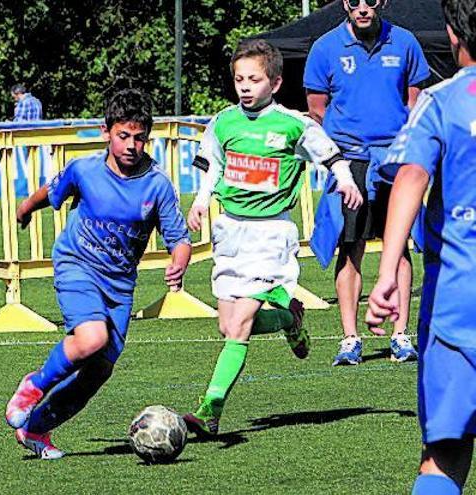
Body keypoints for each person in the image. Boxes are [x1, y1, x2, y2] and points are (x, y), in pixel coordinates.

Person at [183, 39, 363, 436]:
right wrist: (200, 202)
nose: (245, 86)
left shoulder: (292, 124)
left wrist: (346, 181)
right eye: (238, 79)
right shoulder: (224, 121)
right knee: (228, 326)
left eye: (254, 79)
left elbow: (331, 155)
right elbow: (212, 165)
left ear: (276, 82)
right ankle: (289, 317)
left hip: (270, 235)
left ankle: (210, 408)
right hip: (230, 232)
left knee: (241, 323)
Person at [4, 88, 191, 459]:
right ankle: (33, 385)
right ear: (106, 132)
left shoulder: (157, 184)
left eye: (139, 138)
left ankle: (37, 429)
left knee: (98, 371)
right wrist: (26, 207)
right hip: (77, 264)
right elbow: (52, 189)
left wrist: (179, 260)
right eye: (123, 135)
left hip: (119, 286)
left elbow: (179, 237)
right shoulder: (85, 170)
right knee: (90, 339)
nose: (131, 145)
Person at [366, 0, 476, 492]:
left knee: (445, 452)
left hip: (458, 300)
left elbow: (411, 173)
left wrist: (388, 272)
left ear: (453, 34)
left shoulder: (441, 100)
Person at [304, 0, 430, 366]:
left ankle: (401, 335)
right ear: (344, 3)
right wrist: (338, 154)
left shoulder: (405, 42)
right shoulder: (324, 47)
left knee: (400, 246)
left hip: (394, 160)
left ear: (383, 2)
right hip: (349, 162)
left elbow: (414, 103)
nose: (362, 7)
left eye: (370, 0)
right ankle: (349, 338)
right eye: (354, 0)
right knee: (351, 246)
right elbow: (317, 109)